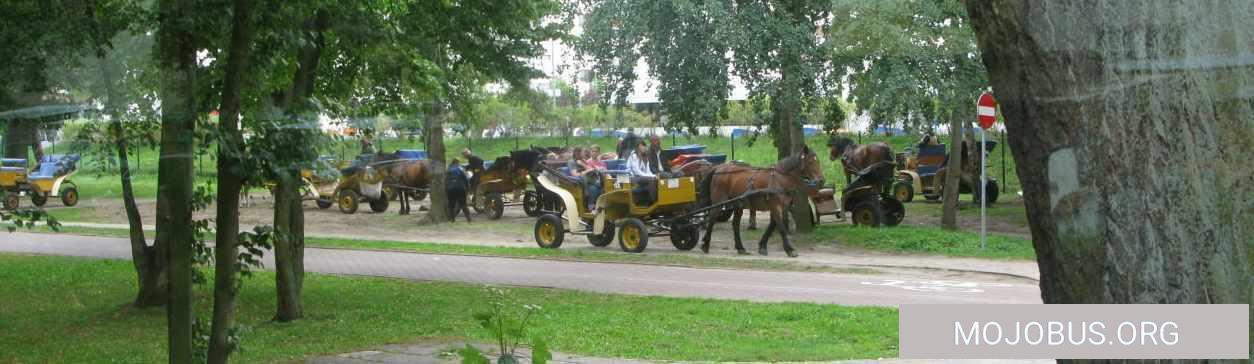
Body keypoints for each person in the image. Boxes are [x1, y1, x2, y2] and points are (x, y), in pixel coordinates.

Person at [625, 140, 657, 206]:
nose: (644, 148)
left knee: (656, 179)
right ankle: (653, 202)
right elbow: (637, 171)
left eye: (644, 146)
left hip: (641, 177)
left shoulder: (645, 157)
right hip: (632, 177)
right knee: (651, 179)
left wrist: (654, 175)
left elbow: (648, 171)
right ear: (638, 147)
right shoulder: (633, 156)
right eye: (643, 146)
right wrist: (650, 177)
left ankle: (651, 201)